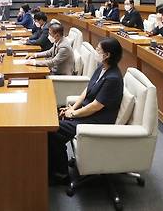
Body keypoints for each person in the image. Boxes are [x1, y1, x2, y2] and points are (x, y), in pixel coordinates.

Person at [47, 37, 124, 183]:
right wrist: (72, 107)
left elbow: (96, 106)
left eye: (98, 50)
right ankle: (56, 162)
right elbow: (87, 90)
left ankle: (61, 174)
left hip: (97, 120)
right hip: (87, 112)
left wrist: (74, 114)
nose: (96, 52)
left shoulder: (113, 78)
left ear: (107, 55)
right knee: (54, 116)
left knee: (53, 130)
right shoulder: (101, 68)